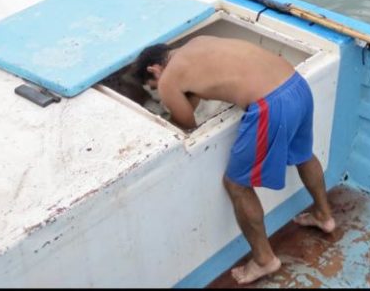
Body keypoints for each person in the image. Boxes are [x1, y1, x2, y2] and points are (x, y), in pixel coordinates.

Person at [133, 37, 336, 285]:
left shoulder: (167, 79)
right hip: (296, 85)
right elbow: (202, 88)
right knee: (304, 154)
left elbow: (187, 123)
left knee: (237, 184)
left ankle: (264, 260)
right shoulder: (197, 43)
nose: (159, 92)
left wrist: (169, 107)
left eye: (153, 87)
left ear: (154, 70)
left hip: (271, 105)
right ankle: (324, 216)